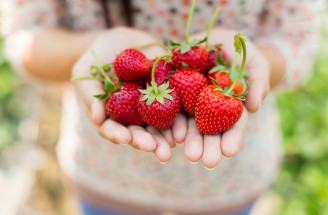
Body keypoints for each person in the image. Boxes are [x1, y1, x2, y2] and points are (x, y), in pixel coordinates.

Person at [1, 0, 324, 214]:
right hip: (108, 175)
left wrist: (253, 63)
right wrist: (90, 49)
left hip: (228, 182)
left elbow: (298, 43)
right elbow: (25, 36)